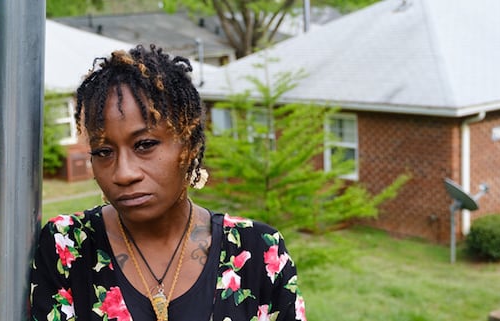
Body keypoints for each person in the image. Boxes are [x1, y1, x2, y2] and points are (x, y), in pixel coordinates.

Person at [29, 44, 306, 321]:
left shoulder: (257, 251)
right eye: (103, 152)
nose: (123, 173)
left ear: (189, 146)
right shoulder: (68, 248)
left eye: (145, 144)